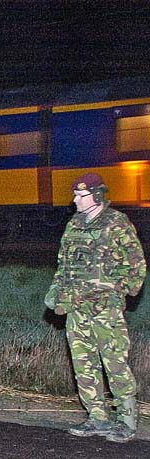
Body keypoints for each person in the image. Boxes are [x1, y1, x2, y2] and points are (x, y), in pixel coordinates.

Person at [45, 173, 146, 443]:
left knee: (115, 363)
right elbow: (63, 265)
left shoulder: (117, 223)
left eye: (81, 195)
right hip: (76, 310)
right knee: (84, 365)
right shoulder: (74, 225)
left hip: (106, 310)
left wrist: (116, 291)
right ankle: (97, 417)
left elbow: (136, 266)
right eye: (75, 195)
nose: (75, 199)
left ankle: (125, 420)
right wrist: (57, 293)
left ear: (97, 195)